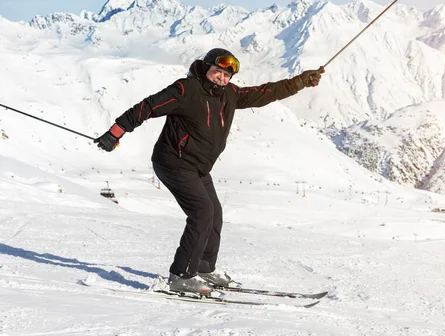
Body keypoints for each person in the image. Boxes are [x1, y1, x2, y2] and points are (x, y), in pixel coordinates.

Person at [94, 48, 325, 295]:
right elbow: (147, 107)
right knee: (202, 212)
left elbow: (264, 93)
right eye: (217, 71)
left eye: (227, 75)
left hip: (199, 167)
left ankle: (203, 267)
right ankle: (181, 275)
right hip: (174, 162)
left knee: (214, 213)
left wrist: (300, 82)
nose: (221, 78)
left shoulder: (230, 95)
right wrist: (115, 133)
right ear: (205, 68)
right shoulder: (187, 89)